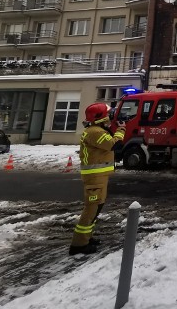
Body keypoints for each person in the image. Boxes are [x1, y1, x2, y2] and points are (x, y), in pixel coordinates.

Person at [69, 103, 125, 256]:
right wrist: (121, 129)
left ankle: (87, 238)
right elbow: (114, 145)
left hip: (98, 176)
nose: (112, 115)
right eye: (109, 113)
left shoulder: (96, 130)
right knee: (91, 209)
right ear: (101, 117)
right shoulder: (95, 132)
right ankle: (79, 244)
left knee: (97, 207)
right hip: (95, 177)